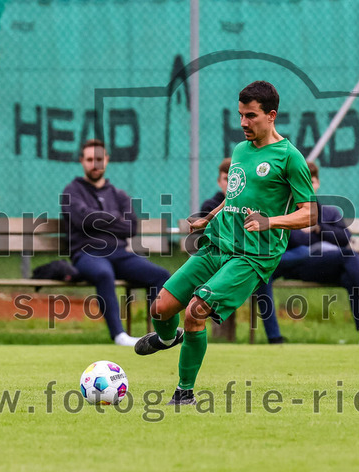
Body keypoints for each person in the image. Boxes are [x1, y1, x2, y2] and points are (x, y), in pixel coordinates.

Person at [135, 80, 317, 405]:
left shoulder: (290, 158)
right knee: (160, 309)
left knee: (196, 311)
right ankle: (167, 340)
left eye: (251, 116)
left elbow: (310, 213)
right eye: (241, 115)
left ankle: (184, 393)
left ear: (271, 115)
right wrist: (209, 217)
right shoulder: (240, 150)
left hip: (252, 256)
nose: (243, 123)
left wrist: (270, 222)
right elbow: (235, 195)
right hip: (217, 245)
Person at [255, 161, 359, 346]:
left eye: (310, 181)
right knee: (345, 255)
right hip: (295, 267)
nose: (306, 185)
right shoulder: (286, 212)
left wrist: (318, 227)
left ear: (317, 183)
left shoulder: (329, 212)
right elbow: (295, 243)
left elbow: (344, 237)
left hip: (323, 266)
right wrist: (305, 232)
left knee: (350, 275)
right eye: (300, 181)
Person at [61, 139, 170, 346]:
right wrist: (114, 218)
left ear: (107, 160)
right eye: (90, 160)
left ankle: (161, 335)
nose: (95, 164)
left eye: (99, 159)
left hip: (119, 253)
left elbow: (130, 227)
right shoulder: (71, 191)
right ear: (82, 161)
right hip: (87, 254)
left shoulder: (118, 194)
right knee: (104, 274)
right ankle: (119, 335)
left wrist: (96, 218)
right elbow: (82, 220)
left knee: (161, 275)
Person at [200, 157, 285, 343]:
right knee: (257, 273)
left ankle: (272, 337)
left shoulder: (255, 202)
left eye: (234, 178)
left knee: (259, 270)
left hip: (259, 256)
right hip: (225, 257)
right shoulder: (211, 205)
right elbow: (213, 236)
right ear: (219, 181)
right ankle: (273, 336)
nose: (231, 183)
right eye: (226, 179)